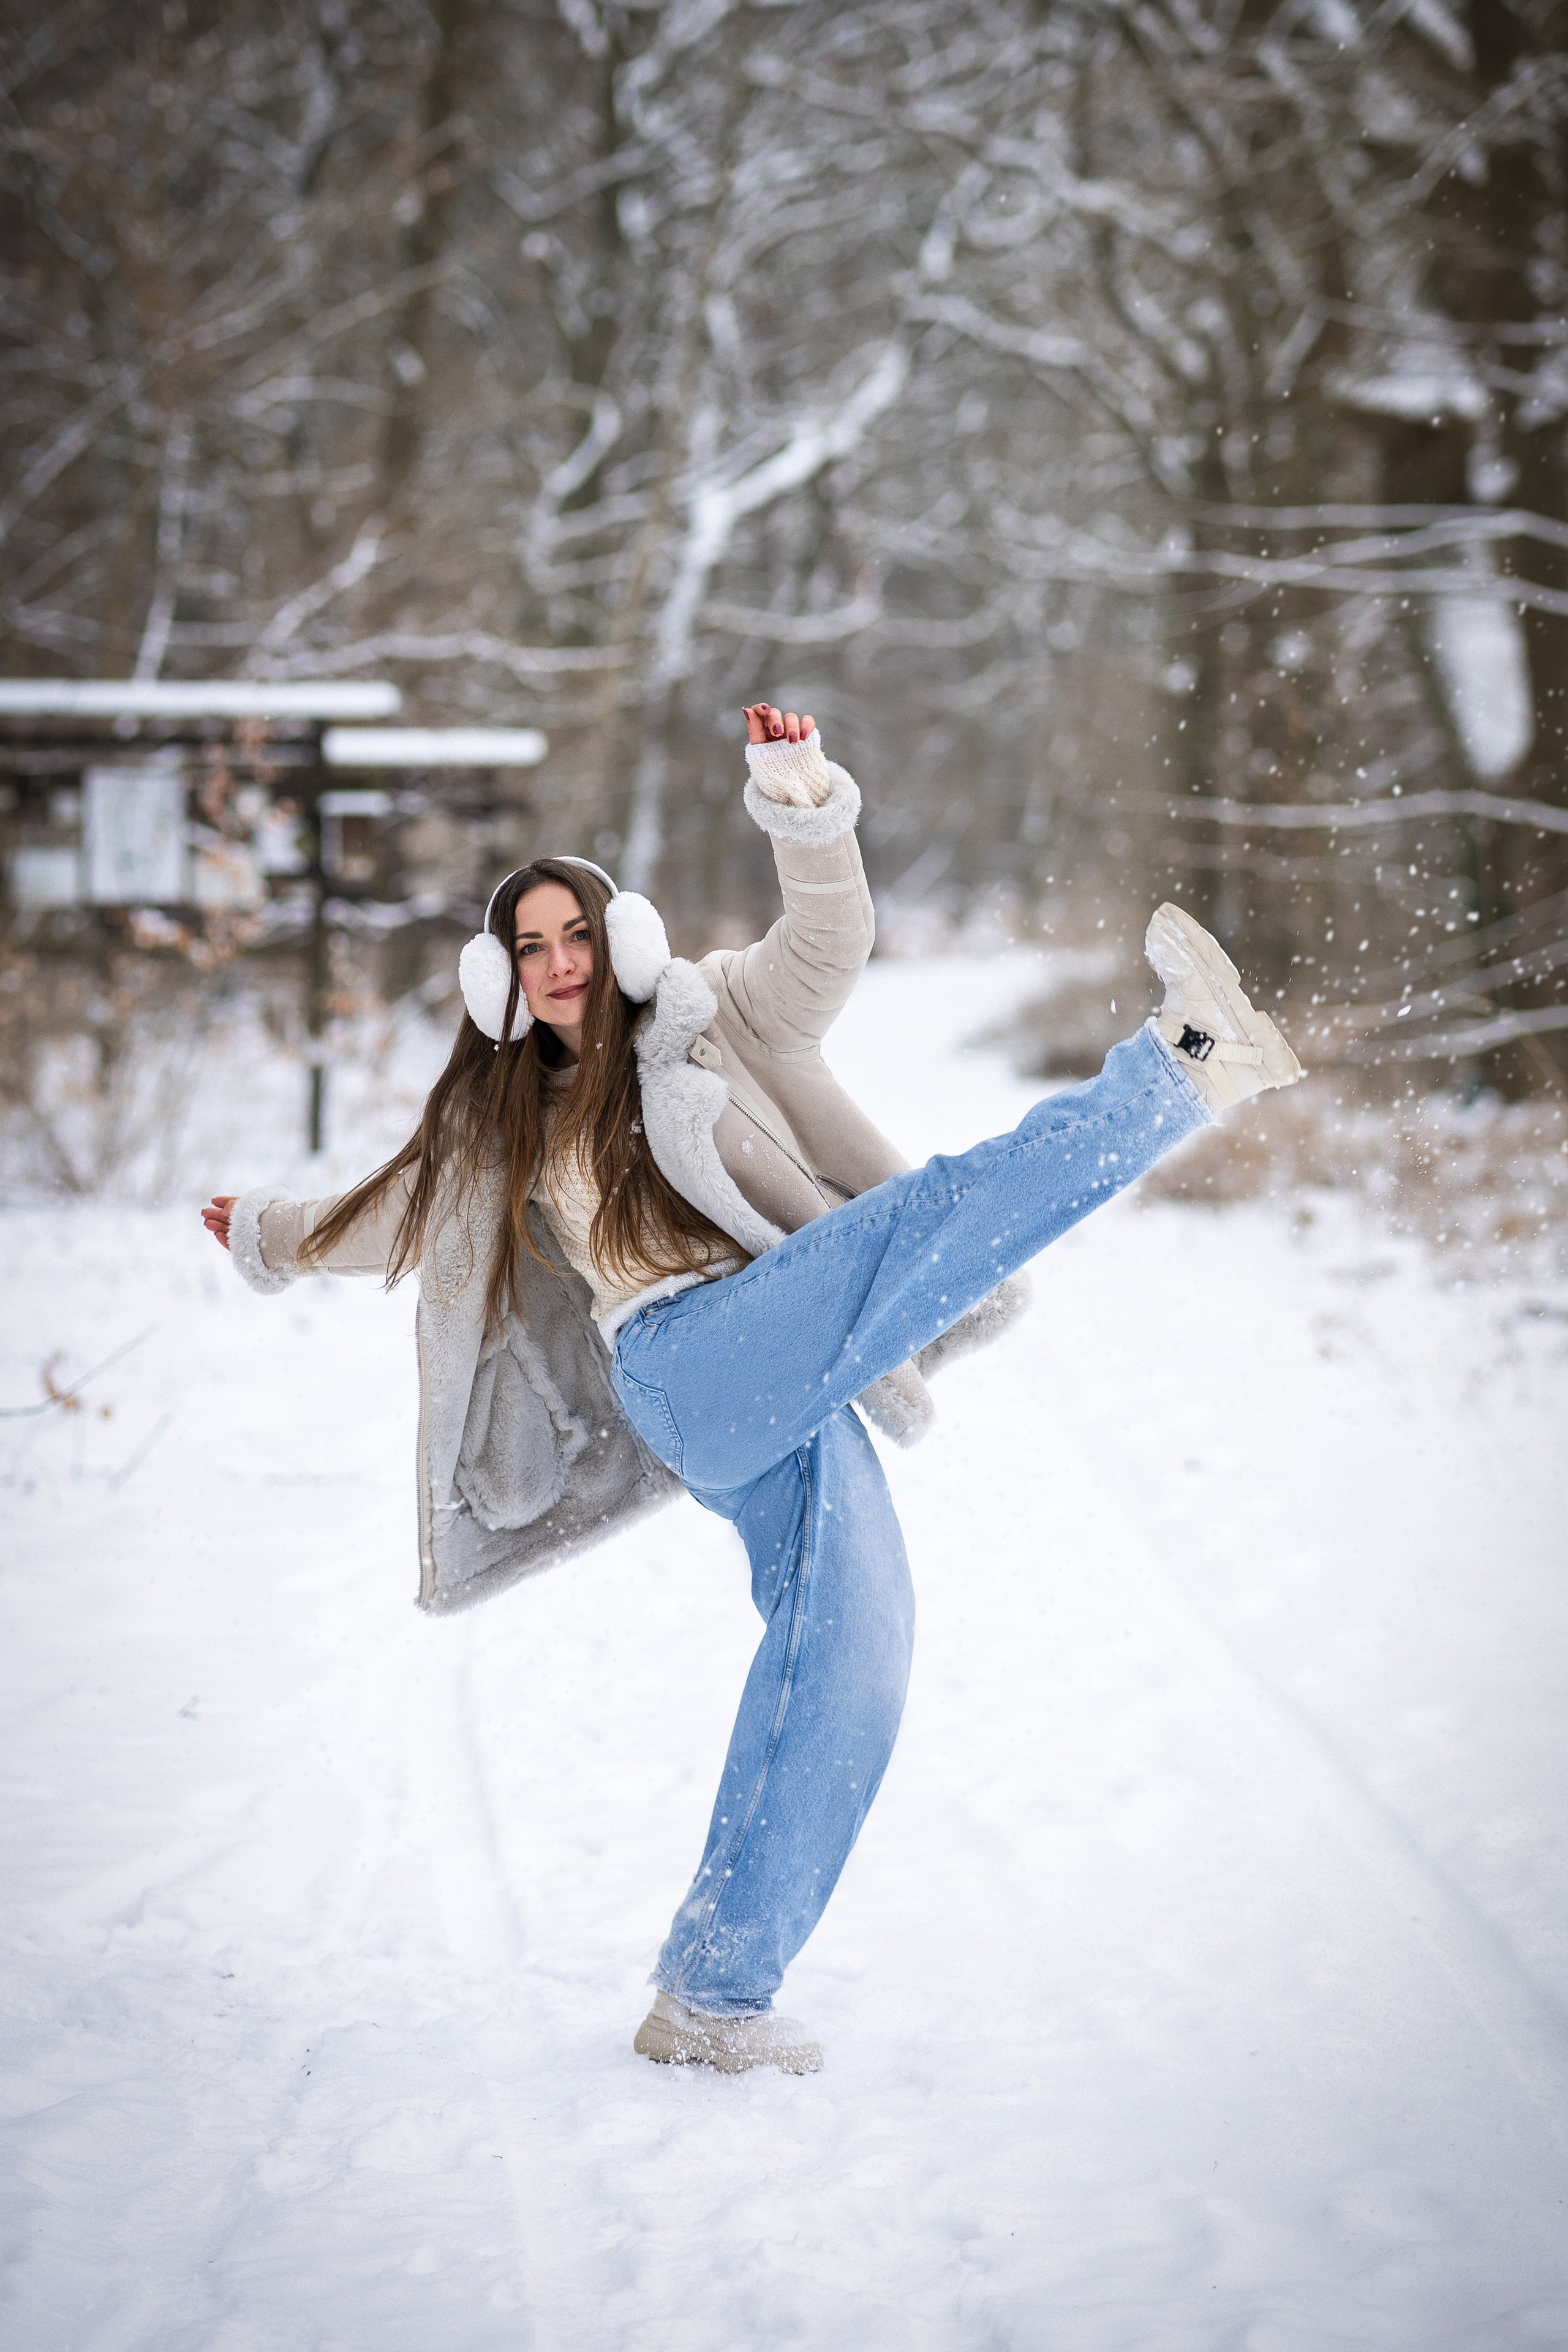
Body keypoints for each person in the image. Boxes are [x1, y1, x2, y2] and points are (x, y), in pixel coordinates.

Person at [202, 701, 1301, 2075]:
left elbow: (828, 939)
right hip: (685, 1361)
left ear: (620, 940)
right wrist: (268, 1233)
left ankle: (712, 1995)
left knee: (852, 1652)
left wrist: (803, 804)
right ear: (501, 976)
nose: (556, 963)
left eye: (574, 935)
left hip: (784, 1373)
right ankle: (1178, 1069)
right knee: (934, 1216)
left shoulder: (720, 1016)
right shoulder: (510, 1113)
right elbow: (394, 1216)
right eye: (527, 947)